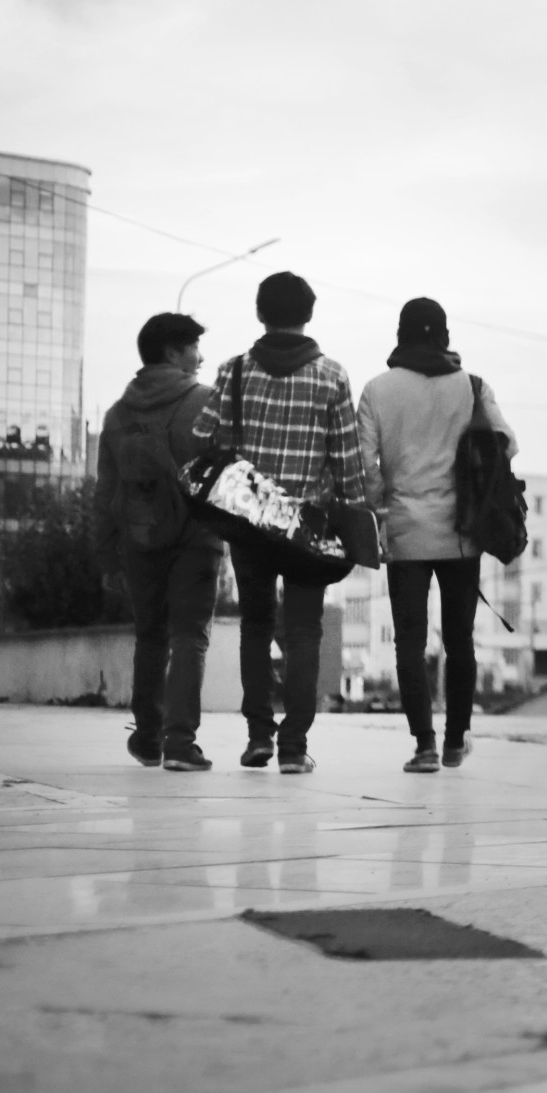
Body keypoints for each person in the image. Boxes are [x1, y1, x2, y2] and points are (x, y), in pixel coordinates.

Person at [191, 272, 375, 775]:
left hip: (248, 522)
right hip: (306, 531)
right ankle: (294, 746)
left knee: (255, 625)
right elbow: (347, 461)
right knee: (304, 631)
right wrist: (358, 518)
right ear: (309, 315)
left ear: (260, 313)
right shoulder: (332, 376)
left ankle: (258, 737)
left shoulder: (233, 370)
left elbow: (202, 435)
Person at [358, 298, 515, 773]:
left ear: (401, 335)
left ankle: (423, 745)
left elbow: (366, 466)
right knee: (460, 639)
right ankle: (455, 741)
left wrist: (382, 504)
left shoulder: (377, 390)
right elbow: (505, 444)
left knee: (408, 640)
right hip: (461, 532)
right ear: (445, 336)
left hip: (406, 531)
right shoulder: (473, 387)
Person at [93, 311, 220, 772]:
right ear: (173, 351)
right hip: (196, 537)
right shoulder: (206, 403)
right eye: (193, 348)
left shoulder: (117, 415)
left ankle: (148, 737)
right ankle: (181, 744)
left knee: (150, 636)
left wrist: (107, 556)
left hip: (138, 537)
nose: (200, 357)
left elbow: (106, 492)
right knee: (190, 637)